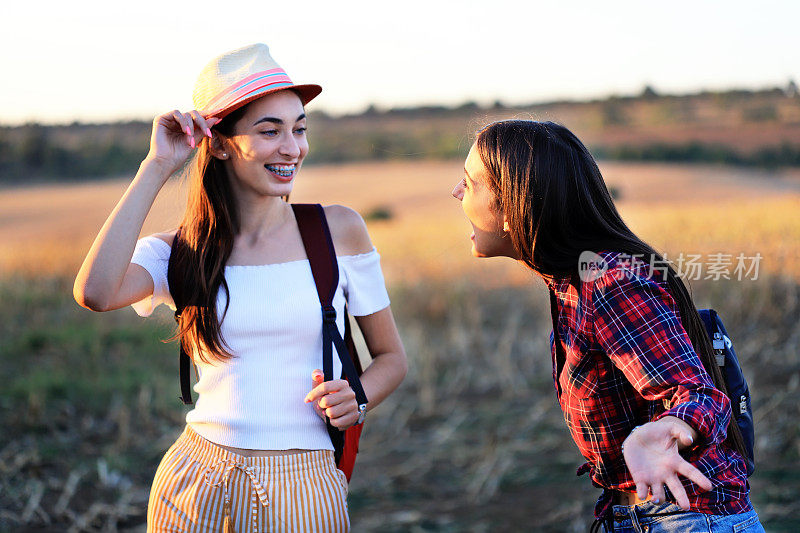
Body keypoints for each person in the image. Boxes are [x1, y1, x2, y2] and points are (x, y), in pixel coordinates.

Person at [74, 43, 407, 532]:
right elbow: (96, 292)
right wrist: (157, 166)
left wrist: (357, 397)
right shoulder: (182, 251)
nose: (292, 148)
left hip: (306, 480)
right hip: (195, 480)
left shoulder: (336, 230)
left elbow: (392, 359)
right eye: (269, 130)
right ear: (220, 143)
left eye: (299, 129)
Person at [451, 120, 764, 532]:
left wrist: (667, 430)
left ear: (511, 206)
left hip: (684, 519)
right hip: (645, 516)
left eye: (470, 183)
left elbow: (696, 391)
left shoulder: (609, 282)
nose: (457, 192)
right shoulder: (569, 284)